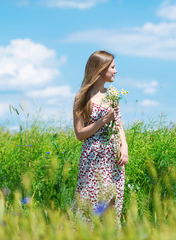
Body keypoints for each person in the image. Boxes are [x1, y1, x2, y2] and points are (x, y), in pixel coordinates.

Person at [72, 50, 128, 224]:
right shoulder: (82, 98)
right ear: (100, 69)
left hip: (113, 158)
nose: (115, 71)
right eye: (112, 67)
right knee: (89, 201)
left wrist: (124, 147)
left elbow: (118, 125)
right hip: (93, 157)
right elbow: (80, 134)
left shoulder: (112, 96)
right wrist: (103, 121)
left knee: (113, 203)